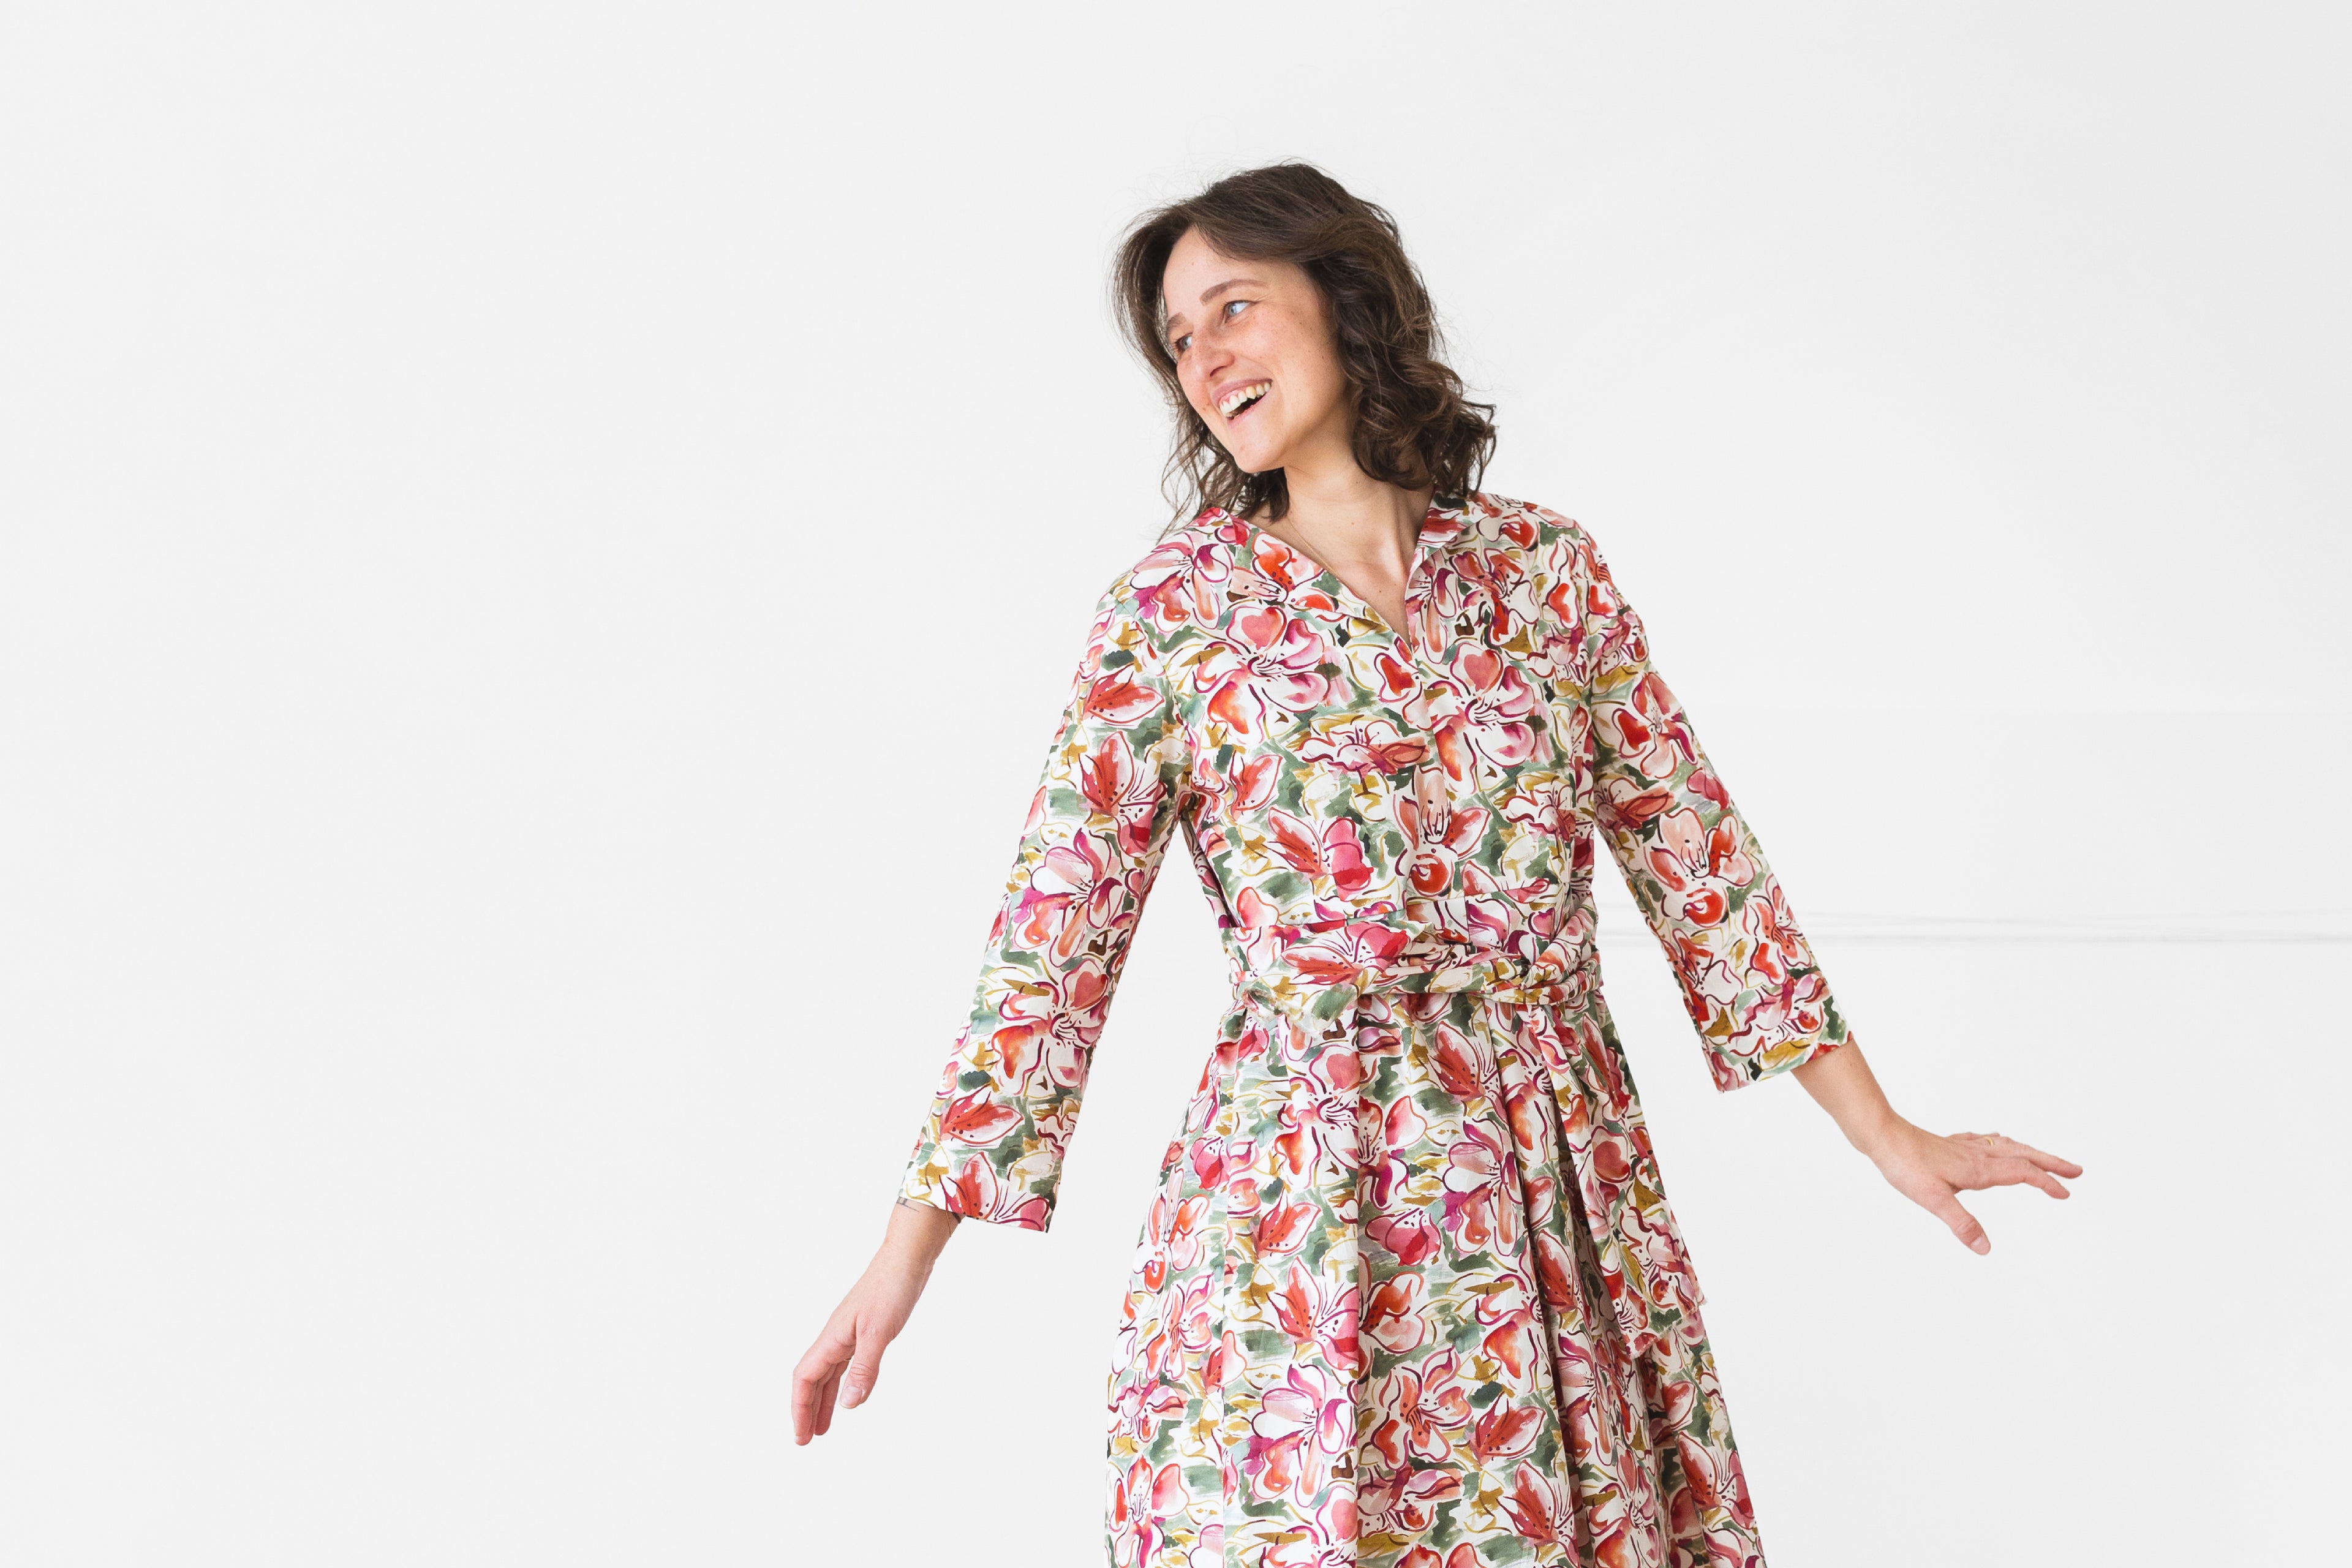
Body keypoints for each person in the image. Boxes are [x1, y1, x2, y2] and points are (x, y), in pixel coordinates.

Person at [792, 162, 2082, 1566]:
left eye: (1235, 306)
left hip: (1553, 1208)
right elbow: (1051, 946)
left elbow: (1702, 864)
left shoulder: (1548, 575)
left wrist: (1887, 1130)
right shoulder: (1171, 616)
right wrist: (902, 1257)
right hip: (1300, 1220)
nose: (1205, 356)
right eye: (1178, 337)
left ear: (1342, 297)